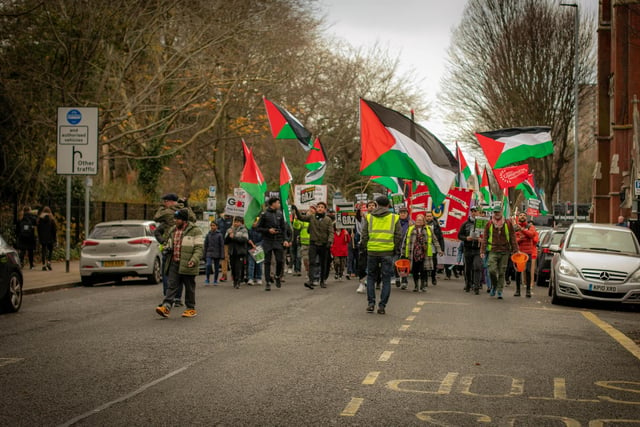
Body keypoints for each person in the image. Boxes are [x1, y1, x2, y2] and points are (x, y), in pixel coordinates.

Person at [155, 209, 204, 318]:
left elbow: (199, 248)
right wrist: (166, 248)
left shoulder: (195, 231)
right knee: (171, 285)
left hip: (188, 263)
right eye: (175, 218)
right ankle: (166, 306)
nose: (175, 220)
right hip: (174, 262)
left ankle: (190, 308)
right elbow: (168, 244)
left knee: (189, 287)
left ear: (184, 220)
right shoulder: (173, 230)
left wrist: (194, 259)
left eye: (177, 219)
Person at [361, 195, 403, 314]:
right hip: (387, 252)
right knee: (386, 279)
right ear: (388, 205)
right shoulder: (394, 218)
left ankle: (371, 303)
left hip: (372, 251)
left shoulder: (369, 217)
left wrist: (366, 247)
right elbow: (398, 236)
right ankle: (382, 306)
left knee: (370, 277)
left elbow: (364, 235)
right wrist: (394, 249)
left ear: (377, 204)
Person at [480, 204, 518, 299]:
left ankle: (499, 291)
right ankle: (494, 285)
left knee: (502, 272)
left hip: (505, 251)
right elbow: (485, 238)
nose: (497, 214)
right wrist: (482, 251)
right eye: (495, 212)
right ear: (493, 213)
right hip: (493, 250)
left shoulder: (508, 223)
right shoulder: (489, 224)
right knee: (491, 270)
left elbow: (513, 237)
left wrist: (515, 250)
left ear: (501, 212)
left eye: (498, 212)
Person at [292, 202, 334, 289]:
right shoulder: (311, 217)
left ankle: (322, 280)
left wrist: (329, 241)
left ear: (325, 209)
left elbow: (331, 232)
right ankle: (311, 280)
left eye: (322, 207)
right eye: (318, 207)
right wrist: (295, 209)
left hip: (324, 244)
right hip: (313, 244)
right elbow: (301, 218)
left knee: (323, 263)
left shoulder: (328, 220)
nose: (320, 208)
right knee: (312, 262)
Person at [255, 197, 291, 291]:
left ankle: (277, 276)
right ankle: (267, 282)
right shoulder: (264, 214)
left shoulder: (279, 214)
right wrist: (268, 230)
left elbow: (284, 229)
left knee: (280, 260)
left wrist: (285, 239)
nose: (279, 204)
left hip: (278, 240)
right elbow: (258, 228)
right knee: (267, 262)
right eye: (277, 203)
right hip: (267, 240)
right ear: (273, 204)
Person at [402, 214, 443, 292]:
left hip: (424, 253)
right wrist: (403, 252)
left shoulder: (428, 229)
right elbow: (405, 241)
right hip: (413, 253)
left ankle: (423, 285)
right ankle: (416, 285)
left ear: (423, 221)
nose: (419, 222)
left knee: (423, 270)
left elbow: (435, 240)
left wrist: (439, 250)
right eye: (417, 220)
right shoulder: (410, 229)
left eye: (420, 220)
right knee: (415, 270)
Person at [458, 206, 483, 294]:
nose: (474, 213)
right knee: (468, 268)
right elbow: (459, 235)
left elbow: (487, 235)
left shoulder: (483, 223)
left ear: (479, 212)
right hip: (468, 248)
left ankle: (476, 287)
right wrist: (466, 238)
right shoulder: (465, 224)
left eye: (475, 211)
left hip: (478, 249)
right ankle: (468, 284)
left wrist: (482, 239)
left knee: (477, 267)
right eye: (472, 211)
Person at [513, 212, 538, 297]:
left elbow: (531, 235)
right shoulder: (515, 227)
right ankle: (517, 290)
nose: (522, 217)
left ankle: (528, 291)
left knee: (527, 271)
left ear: (526, 217)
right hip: (519, 252)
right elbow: (514, 240)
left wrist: (522, 230)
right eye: (520, 215)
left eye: (524, 215)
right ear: (518, 217)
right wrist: (521, 238)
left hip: (528, 253)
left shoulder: (530, 227)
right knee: (518, 271)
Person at [225, 217, 249, 289]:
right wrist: (229, 236)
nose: (236, 223)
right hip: (232, 251)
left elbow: (244, 240)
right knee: (233, 267)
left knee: (238, 267)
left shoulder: (244, 230)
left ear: (241, 223)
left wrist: (234, 237)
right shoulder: (230, 230)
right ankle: (234, 280)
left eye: (238, 222)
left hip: (240, 251)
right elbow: (225, 241)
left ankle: (238, 281)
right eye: (235, 222)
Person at [424, 211, 445, 287]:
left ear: (432, 217)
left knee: (433, 263)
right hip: (424, 247)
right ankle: (425, 280)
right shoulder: (422, 225)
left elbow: (440, 238)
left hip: (433, 247)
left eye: (430, 216)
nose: (429, 217)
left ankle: (433, 277)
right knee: (424, 265)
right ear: (425, 217)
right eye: (427, 216)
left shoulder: (436, 226)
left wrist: (441, 249)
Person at [395, 207, 412, 289]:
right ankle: (397, 277)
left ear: (407, 214)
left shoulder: (411, 223)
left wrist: (412, 226)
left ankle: (404, 281)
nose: (402, 214)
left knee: (404, 265)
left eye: (404, 213)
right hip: (396, 246)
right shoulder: (395, 222)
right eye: (401, 212)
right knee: (394, 263)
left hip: (405, 247)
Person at [37, 206, 57, 271]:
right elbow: (54, 230)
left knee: (43, 250)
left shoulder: (40, 219)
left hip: (43, 237)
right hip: (50, 237)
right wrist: (55, 239)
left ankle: (43, 264)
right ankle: (49, 262)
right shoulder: (52, 219)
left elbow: (38, 229)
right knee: (50, 250)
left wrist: (39, 237)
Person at [216, 214, 233, 282]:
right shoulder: (219, 221)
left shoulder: (233, 220)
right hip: (223, 242)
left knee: (232, 258)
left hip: (232, 242)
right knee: (224, 258)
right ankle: (224, 274)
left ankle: (233, 274)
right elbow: (217, 230)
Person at [247, 217, 264, 286]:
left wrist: (257, 245)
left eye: (255, 222)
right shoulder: (249, 229)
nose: (254, 223)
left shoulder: (261, 230)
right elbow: (247, 238)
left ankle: (259, 278)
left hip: (259, 249)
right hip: (251, 248)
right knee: (251, 264)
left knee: (259, 264)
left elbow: (263, 239)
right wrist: (250, 242)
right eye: (253, 222)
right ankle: (250, 278)